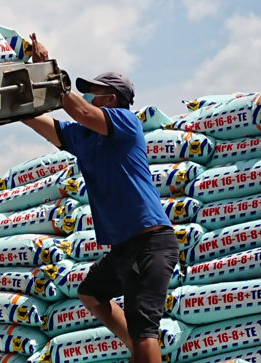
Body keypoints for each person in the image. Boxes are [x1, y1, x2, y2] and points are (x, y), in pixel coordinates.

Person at [23, 34, 178, 363]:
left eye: (95, 92)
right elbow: (43, 121)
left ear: (111, 98)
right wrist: (14, 102)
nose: (90, 97)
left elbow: (78, 110)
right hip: (125, 247)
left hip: (149, 242)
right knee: (91, 294)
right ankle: (137, 353)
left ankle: (141, 349)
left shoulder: (125, 123)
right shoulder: (84, 137)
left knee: (144, 327)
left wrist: (48, 70)